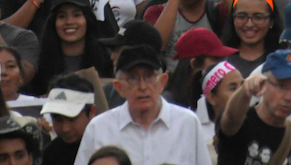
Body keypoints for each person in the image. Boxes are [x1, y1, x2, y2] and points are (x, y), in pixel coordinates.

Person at [73, 43, 211, 165]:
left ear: (162, 82)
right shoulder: (99, 128)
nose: (142, 86)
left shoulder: (187, 123)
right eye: (132, 78)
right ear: (118, 87)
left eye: (149, 76)